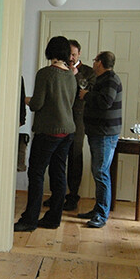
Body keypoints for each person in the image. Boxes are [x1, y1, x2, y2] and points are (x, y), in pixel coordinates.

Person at [14, 36, 77, 232]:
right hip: (68, 131)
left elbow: (37, 104)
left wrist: (25, 100)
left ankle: (30, 220)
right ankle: (53, 218)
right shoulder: (71, 75)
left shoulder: (45, 74)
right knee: (58, 174)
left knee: (36, 173)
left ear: (50, 51)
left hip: (49, 131)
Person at [43, 40, 96, 211]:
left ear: (79, 53)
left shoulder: (88, 72)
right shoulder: (58, 70)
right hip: (58, 118)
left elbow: (89, 92)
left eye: (74, 54)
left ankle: (73, 196)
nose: (71, 57)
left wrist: (76, 75)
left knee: (75, 157)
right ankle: (55, 195)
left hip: (78, 120)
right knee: (56, 158)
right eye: (69, 54)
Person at [77, 51, 122, 228]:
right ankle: (97, 209)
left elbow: (105, 102)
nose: (94, 63)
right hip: (98, 132)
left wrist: (86, 95)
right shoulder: (101, 79)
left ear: (100, 63)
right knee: (98, 172)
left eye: (95, 60)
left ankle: (101, 214)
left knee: (101, 172)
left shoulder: (110, 79)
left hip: (105, 134)